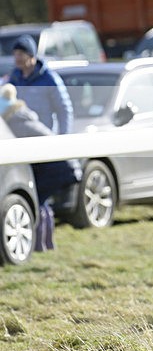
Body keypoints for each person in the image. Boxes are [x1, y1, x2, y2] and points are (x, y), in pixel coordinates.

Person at [0, 83, 81, 250]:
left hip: (59, 167)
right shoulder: (23, 116)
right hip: (67, 165)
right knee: (44, 203)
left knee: (38, 202)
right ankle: (47, 244)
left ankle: (39, 245)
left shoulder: (15, 123)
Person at [8, 34, 73, 134]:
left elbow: (63, 109)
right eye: (15, 54)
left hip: (45, 136)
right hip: (20, 138)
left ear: (31, 56)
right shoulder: (14, 77)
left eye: (20, 54)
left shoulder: (49, 78)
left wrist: (64, 137)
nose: (17, 58)